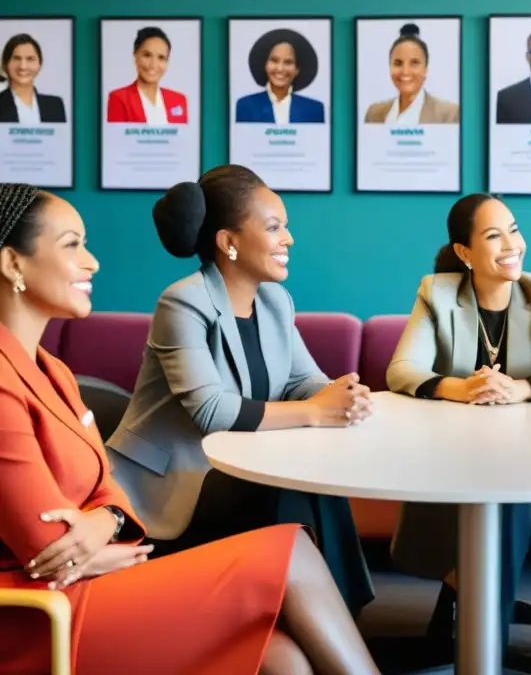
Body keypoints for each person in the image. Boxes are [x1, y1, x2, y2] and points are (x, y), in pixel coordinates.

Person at [0, 183, 379, 675]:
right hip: (41, 612)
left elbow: (105, 489)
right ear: (13, 265)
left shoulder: (54, 370)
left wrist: (106, 523)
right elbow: (48, 548)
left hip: (100, 573)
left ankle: (335, 620)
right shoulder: (9, 378)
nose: (92, 262)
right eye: (72, 244)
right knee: (289, 552)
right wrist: (101, 538)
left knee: (284, 657)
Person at [105, 165, 375, 613]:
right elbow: (210, 411)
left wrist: (339, 393)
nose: (288, 239)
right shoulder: (183, 301)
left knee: (311, 480)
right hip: (174, 481)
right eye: (274, 227)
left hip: (232, 467)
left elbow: (300, 379)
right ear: (229, 242)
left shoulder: (274, 300)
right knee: (283, 487)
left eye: (285, 226)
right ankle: (310, 611)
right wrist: (315, 411)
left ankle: (339, 610)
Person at [386, 192, 531, 654]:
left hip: (525, 452)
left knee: (512, 489)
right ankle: (486, 632)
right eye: (493, 235)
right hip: (449, 454)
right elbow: (401, 370)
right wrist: (461, 387)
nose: (511, 245)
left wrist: (520, 388)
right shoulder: (437, 292)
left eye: (514, 230)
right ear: (464, 253)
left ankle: (487, 639)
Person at [363, 23, 459, 125]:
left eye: (414, 63)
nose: (405, 71)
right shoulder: (374, 114)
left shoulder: (449, 114)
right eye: (398, 63)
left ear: (425, 69)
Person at [235, 29, 326, 124]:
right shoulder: (246, 106)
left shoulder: (314, 109)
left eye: (288, 62)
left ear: (297, 70)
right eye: (274, 60)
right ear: (264, 64)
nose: (280, 69)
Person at [106, 26, 188, 124]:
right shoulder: (119, 98)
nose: (153, 65)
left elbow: (183, 138)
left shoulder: (178, 100)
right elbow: (116, 138)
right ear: (135, 56)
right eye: (147, 55)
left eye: (161, 57)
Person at [0, 34, 67, 123]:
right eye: (16, 58)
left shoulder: (55, 106)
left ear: (39, 64)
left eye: (30, 59)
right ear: (5, 64)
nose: (23, 66)